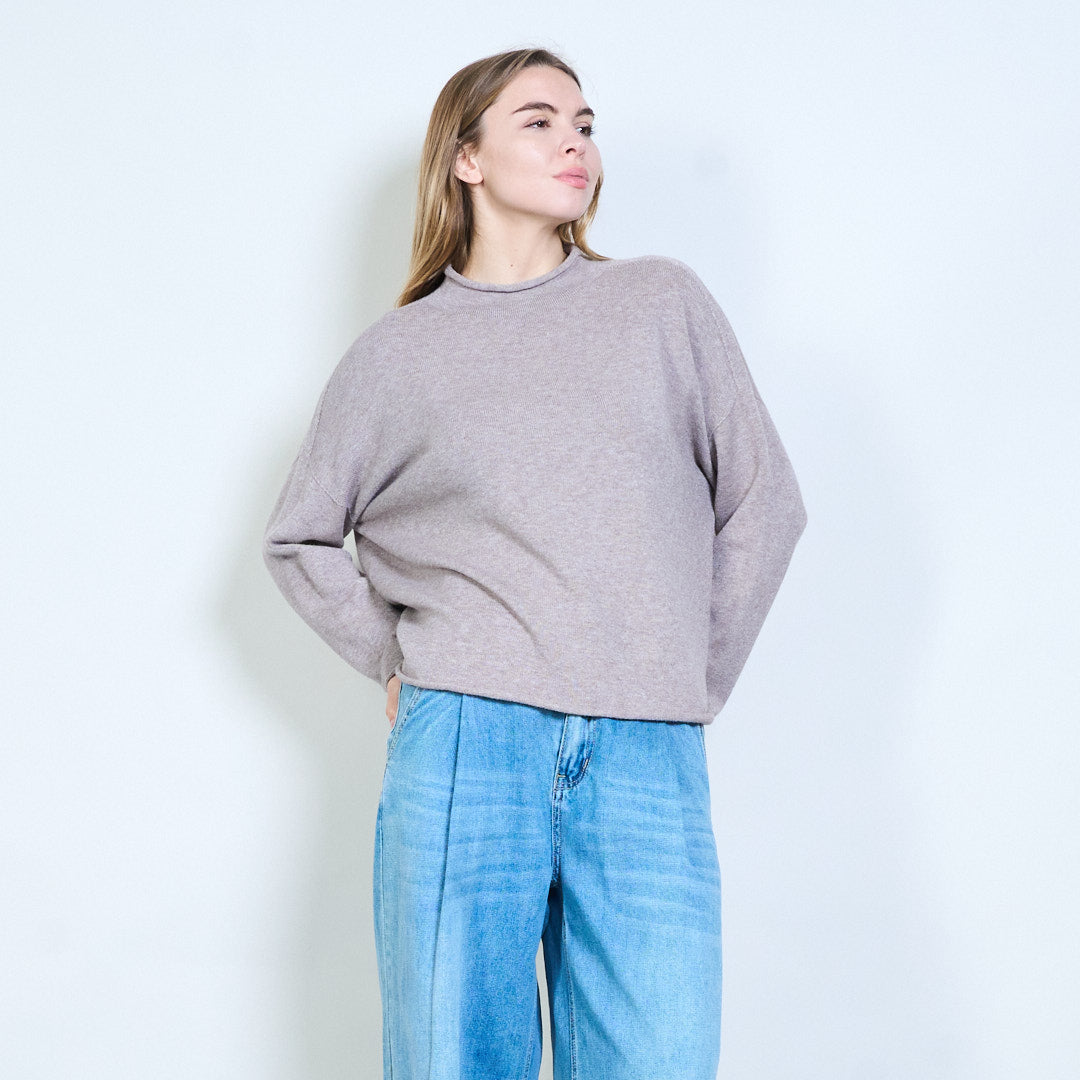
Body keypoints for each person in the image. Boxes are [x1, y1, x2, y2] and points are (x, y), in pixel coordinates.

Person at [263, 46, 807, 1080]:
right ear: (466, 159)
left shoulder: (660, 305)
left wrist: (684, 676)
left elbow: (766, 503)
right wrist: (394, 658)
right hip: (466, 741)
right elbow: (299, 537)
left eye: (585, 124)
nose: (574, 143)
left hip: (646, 750)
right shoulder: (397, 354)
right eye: (540, 121)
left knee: (660, 1058)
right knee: (453, 1062)